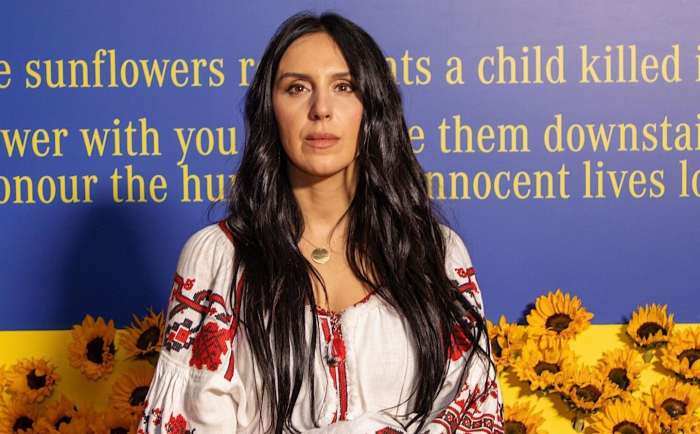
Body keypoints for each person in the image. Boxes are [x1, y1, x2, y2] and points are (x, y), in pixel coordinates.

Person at [140, 12, 503, 434]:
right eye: (297, 88)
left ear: (373, 107)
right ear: (270, 109)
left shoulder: (435, 253)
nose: (321, 110)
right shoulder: (218, 258)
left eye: (344, 87)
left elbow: (476, 410)